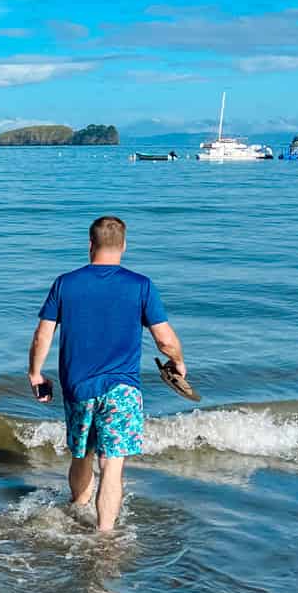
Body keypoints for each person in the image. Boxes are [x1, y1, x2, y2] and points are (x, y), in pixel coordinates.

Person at [28, 214, 186, 533]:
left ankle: (77, 512)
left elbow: (42, 335)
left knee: (82, 453)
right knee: (111, 465)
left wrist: (35, 373)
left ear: (90, 245)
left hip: (78, 386)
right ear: (124, 246)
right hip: (122, 388)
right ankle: (104, 536)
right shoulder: (141, 285)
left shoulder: (65, 283)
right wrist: (178, 362)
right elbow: (165, 341)